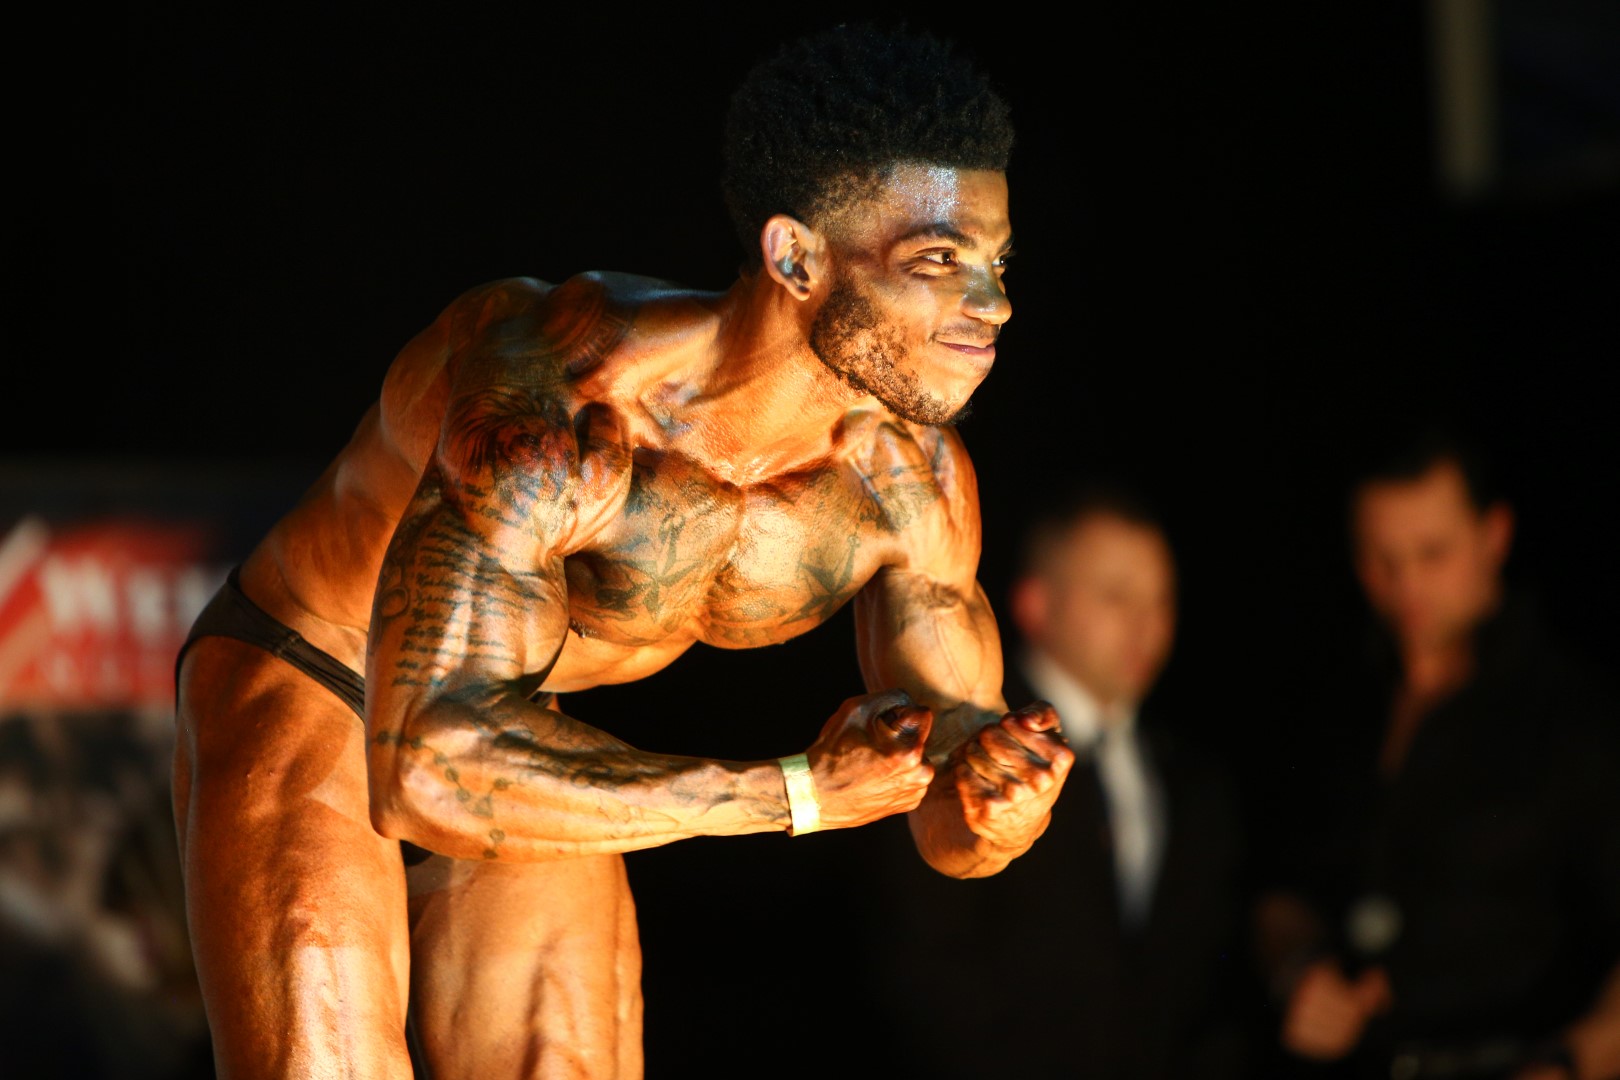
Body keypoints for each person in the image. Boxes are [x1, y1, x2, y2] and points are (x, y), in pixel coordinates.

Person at [170, 21, 1075, 1080]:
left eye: (996, 263)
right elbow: (424, 769)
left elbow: (951, 835)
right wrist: (792, 793)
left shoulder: (912, 484)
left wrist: (998, 806)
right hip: (321, 674)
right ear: (794, 257)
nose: (993, 304)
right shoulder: (565, 398)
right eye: (938, 261)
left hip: (519, 721)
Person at [1252, 427, 1620, 1080]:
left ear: (1494, 535)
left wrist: (1572, 1063)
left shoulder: (1577, 717)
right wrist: (1298, 968)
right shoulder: (1334, 701)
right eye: (1381, 559)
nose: (1406, 584)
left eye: (1432, 553)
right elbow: (1278, 886)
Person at [863, 481, 1252, 1079]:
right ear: (1035, 604)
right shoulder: (952, 744)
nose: (1147, 622)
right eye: (1117, 595)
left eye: (1162, 598)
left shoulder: (1191, 777)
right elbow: (917, 964)